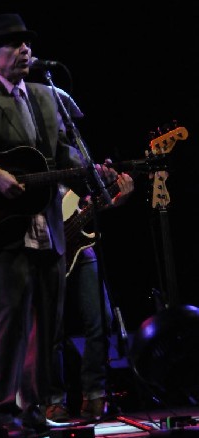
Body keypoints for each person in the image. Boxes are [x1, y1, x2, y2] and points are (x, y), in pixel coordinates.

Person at [0, 12, 121, 438]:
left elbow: (63, 152)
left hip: (46, 224)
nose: (25, 49)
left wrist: (93, 171)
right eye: (13, 44)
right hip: (3, 227)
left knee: (46, 322)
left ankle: (34, 409)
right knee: (10, 319)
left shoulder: (46, 96)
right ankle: (3, 411)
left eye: (27, 42)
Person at [46, 175, 134, 424]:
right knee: (52, 329)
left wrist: (115, 199)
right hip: (46, 241)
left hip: (81, 246)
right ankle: (53, 400)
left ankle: (95, 393)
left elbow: (85, 202)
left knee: (102, 319)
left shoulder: (72, 143)